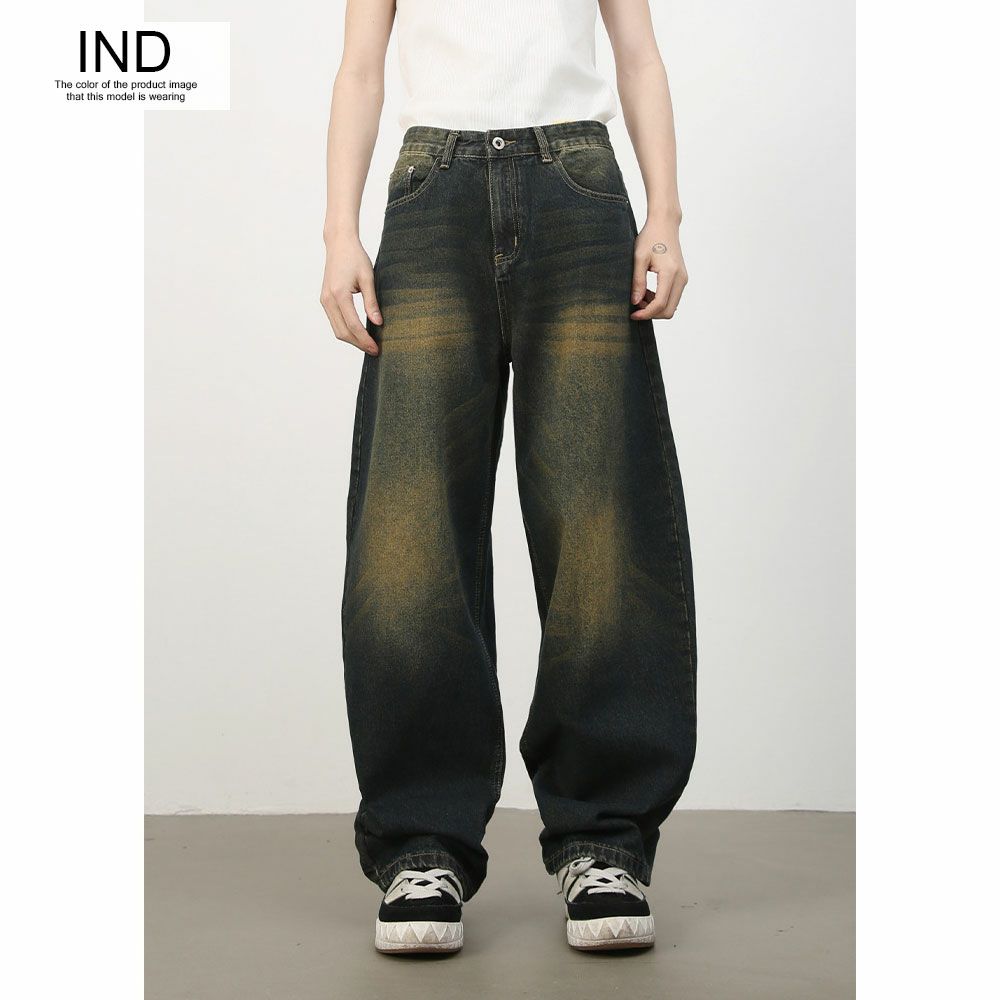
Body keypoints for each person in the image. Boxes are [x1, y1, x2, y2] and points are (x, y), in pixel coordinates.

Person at [321, 0, 695, 954]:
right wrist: (338, 234)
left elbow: (638, 52)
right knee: (411, 534)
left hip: (578, 186)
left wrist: (663, 214)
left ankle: (605, 841)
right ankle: (422, 845)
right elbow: (361, 66)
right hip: (430, 192)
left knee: (601, 519)